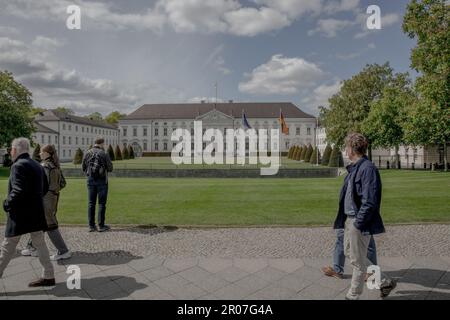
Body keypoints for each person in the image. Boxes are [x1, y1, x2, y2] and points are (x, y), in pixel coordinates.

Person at [333, 133, 396, 300]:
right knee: (352, 255)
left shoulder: (367, 169)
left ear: (352, 149)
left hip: (357, 221)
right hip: (349, 219)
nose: (345, 150)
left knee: (358, 263)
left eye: (346, 147)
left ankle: (352, 295)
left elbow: (370, 201)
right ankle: (384, 281)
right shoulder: (355, 167)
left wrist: (357, 224)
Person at [1, 138, 55, 287]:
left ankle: (49, 275)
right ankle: (49, 275)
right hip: (36, 212)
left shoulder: (18, 165)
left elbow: (18, 190)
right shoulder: (36, 164)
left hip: (20, 215)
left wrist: (7, 203)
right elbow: (44, 188)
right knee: (40, 243)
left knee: (7, 246)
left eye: (11, 148)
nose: (10, 151)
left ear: (16, 149)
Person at [21, 144, 72, 261]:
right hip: (53, 198)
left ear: (47, 153)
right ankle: (32, 247)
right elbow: (63, 183)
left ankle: (63, 251)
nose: (39, 154)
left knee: (50, 225)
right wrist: (53, 191)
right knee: (39, 223)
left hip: (45, 199)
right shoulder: (56, 166)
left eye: (42, 152)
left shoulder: (43, 166)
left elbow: (39, 185)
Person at [82, 138, 113, 232]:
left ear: (94, 143)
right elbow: (110, 168)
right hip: (102, 181)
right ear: (102, 143)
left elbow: (83, 167)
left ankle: (91, 226)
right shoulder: (104, 153)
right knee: (101, 203)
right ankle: (101, 225)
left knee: (91, 203)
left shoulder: (87, 152)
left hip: (90, 180)